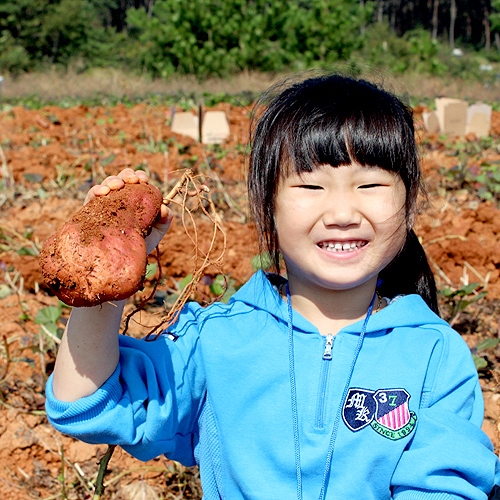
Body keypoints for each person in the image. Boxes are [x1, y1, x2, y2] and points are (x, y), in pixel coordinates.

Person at [45, 74, 499, 500]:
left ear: (409, 203)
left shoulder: (433, 354)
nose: (343, 213)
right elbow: (86, 404)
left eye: (370, 184)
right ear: (268, 207)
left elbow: (443, 487)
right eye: (311, 186)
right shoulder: (217, 340)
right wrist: (103, 274)